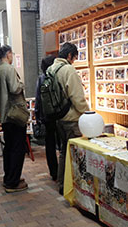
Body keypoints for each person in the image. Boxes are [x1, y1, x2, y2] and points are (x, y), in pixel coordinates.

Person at [48, 42, 89, 195]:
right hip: (71, 119)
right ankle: (73, 185)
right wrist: (89, 114)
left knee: (64, 152)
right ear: (70, 56)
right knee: (74, 153)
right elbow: (77, 97)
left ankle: (62, 183)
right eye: (74, 58)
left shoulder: (51, 69)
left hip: (58, 117)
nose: (74, 61)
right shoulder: (68, 70)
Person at [0, 45, 28, 193]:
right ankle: (13, 182)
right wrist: (22, 83)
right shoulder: (9, 69)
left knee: (9, 148)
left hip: (5, 115)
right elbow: (14, 88)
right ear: (8, 55)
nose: (12, 56)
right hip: (14, 115)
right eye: (12, 54)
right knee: (17, 149)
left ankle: (9, 178)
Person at [35, 55, 58, 181]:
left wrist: (38, 115)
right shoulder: (57, 76)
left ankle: (53, 172)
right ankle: (63, 172)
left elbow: (38, 99)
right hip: (58, 115)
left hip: (47, 116)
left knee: (50, 145)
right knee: (61, 144)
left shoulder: (41, 79)